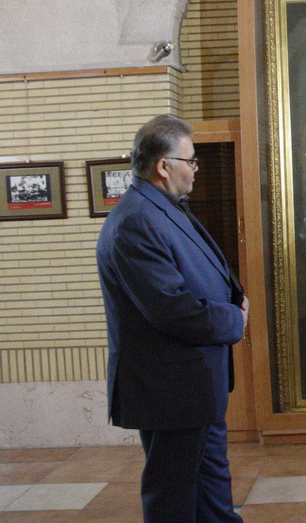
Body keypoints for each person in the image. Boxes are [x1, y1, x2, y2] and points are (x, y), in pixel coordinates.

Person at [97, 114, 249, 522]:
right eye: (191, 160)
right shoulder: (136, 220)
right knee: (174, 496)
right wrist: (233, 319)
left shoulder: (163, 208)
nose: (196, 169)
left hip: (195, 385)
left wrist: (233, 298)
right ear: (164, 166)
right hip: (171, 390)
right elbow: (170, 308)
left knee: (210, 488)